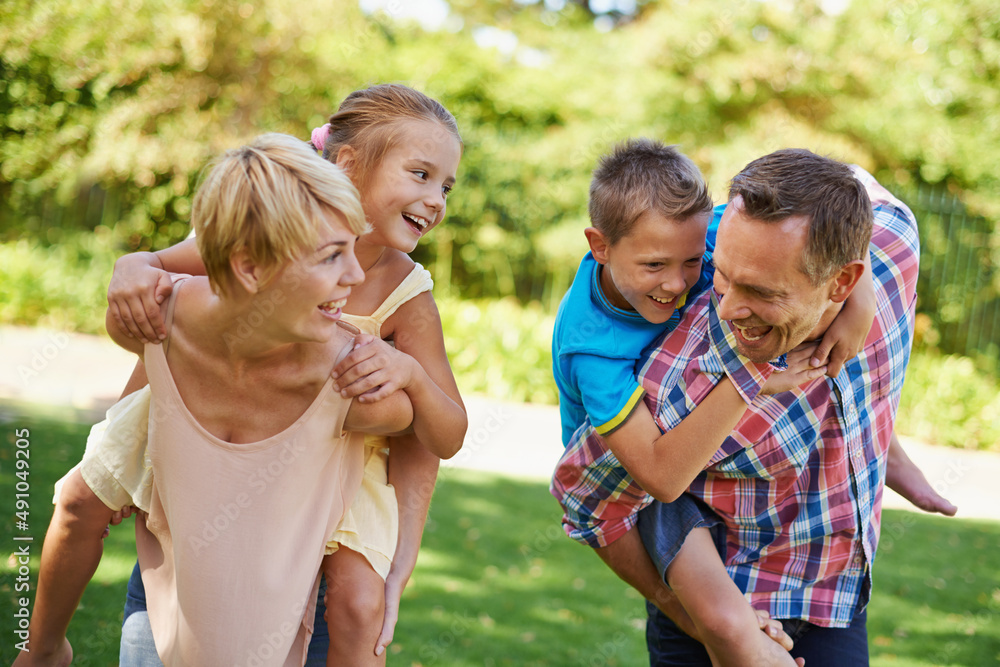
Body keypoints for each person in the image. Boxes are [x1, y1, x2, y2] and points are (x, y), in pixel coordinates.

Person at [58, 84, 468, 665]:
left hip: (342, 451)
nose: (437, 199)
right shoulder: (268, 232)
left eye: (446, 185)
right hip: (234, 440)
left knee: (355, 601)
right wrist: (130, 266)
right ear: (347, 163)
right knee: (111, 516)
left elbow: (443, 432)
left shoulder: (408, 293)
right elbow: (161, 274)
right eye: (421, 174)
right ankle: (51, 644)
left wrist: (407, 375)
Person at [581, 148, 949, 665]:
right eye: (722, 274)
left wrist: (860, 295)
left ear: (842, 278)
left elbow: (854, 184)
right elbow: (587, 495)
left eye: (757, 290)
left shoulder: (893, 251)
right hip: (730, 606)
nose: (724, 305)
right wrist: (717, 631)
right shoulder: (684, 369)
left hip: (835, 597)